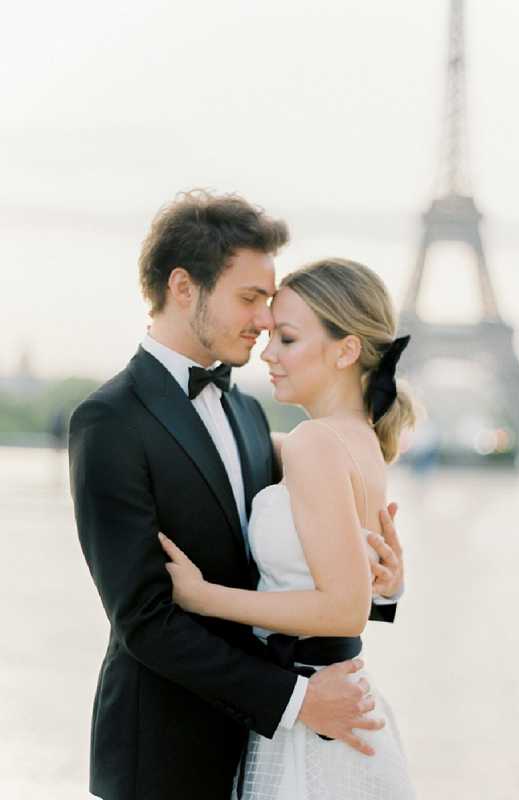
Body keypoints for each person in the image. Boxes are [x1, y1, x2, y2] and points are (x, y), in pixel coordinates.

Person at [68, 191, 404, 800]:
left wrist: (378, 581)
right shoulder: (108, 421)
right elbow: (143, 619)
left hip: (270, 747)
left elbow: (294, 561)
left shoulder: (250, 414)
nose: (265, 321)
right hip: (167, 755)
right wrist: (298, 700)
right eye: (250, 298)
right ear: (183, 287)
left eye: (269, 305)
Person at [159, 257, 416, 799]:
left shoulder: (314, 444)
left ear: (346, 350)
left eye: (289, 339)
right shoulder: (359, 438)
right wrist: (391, 586)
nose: (267, 353)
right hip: (331, 709)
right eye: (272, 336)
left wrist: (204, 597)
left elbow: (345, 608)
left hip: (311, 720)